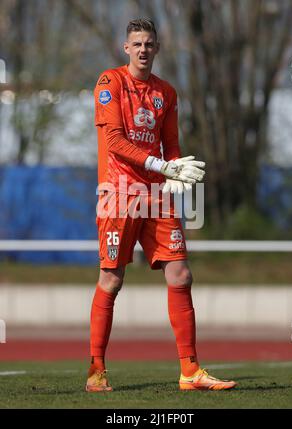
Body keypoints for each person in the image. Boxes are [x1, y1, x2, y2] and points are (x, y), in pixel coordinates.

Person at [86, 18, 237, 392]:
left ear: (156, 48)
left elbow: (171, 146)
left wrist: (176, 173)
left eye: (149, 44)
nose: (143, 49)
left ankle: (190, 371)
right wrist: (160, 164)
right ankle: (96, 370)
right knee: (112, 279)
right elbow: (117, 142)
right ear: (126, 48)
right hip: (119, 194)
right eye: (136, 43)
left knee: (181, 275)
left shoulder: (166, 93)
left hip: (156, 195)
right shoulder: (110, 83)